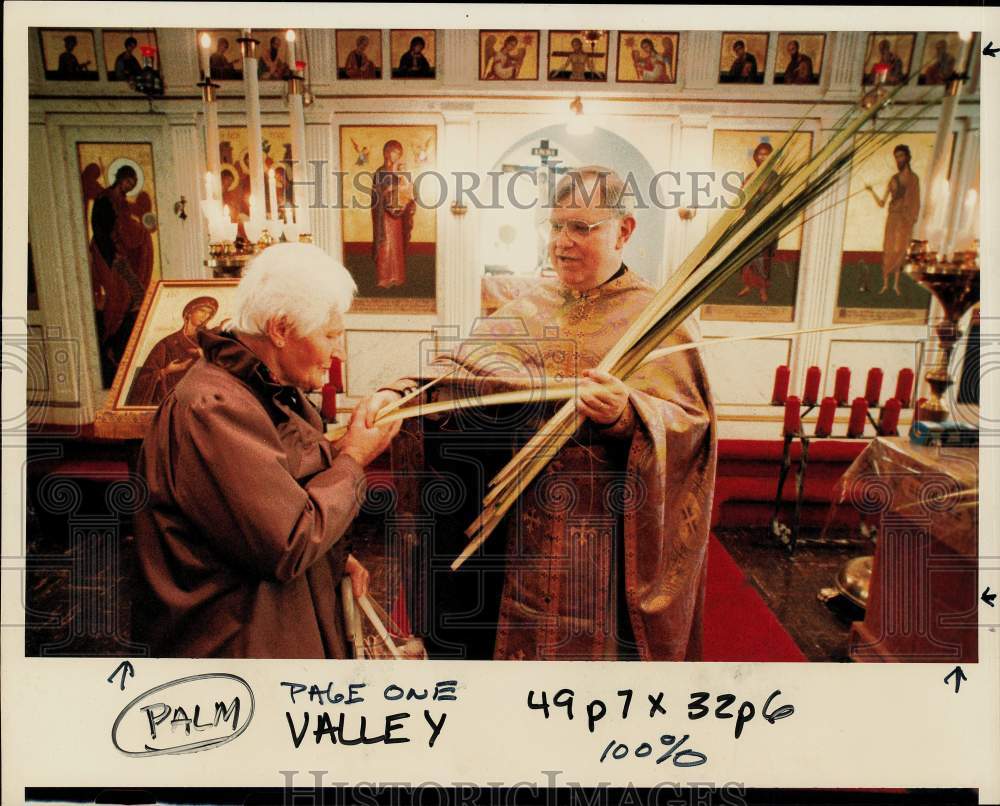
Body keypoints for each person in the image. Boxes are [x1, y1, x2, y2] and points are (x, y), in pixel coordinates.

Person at [369, 166, 717, 661]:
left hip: (599, 542)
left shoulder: (658, 318)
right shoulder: (528, 305)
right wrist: (400, 394)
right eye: (555, 226)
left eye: (581, 227)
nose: (562, 242)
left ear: (624, 230)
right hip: (517, 536)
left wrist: (627, 416)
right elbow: (460, 376)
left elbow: (691, 428)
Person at [133, 243, 401, 657]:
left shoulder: (256, 389)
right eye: (330, 335)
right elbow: (288, 543)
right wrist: (353, 458)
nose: (338, 353)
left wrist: (330, 557)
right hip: (237, 652)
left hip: (270, 622)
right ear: (279, 328)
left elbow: (273, 499)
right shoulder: (212, 408)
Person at [89, 164, 154, 385]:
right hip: (107, 254)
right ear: (121, 178)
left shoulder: (123, 202)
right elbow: (100, 230)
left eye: (134, 184)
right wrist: (111, 254)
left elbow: (127, 227)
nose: (130, 186)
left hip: (120, 253)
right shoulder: (104, 199)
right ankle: (109, 343)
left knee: (136, 295)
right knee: (120, 296)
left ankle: (123, 346)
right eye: (129, 182)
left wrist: (142, 233)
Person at [125, 296, 219, 406]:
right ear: (189, 312)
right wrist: (166, 371)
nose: (205, 316)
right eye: (202, 311)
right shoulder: (166, 344)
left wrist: (206, 356)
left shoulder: (210, 341)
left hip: (204, 401)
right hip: (172, 401)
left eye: (209, 313)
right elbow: (143, 380)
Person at [866, 144, 920, 295]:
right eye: (896, 157)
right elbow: (882, 203)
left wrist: (910, 218)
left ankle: (896, 285)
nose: (899, 159)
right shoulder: (893, 179)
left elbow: (916, 202)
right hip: (893, 217)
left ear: (908, 157)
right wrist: (871, 192)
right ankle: (885, 284)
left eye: (901, 156)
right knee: (889, 248)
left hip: (906, 220)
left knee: (900, 250)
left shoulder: (914, 179)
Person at [736, 142, 779, 303]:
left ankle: (762, 289)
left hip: (765, 222)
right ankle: (747, 285)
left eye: (766, 154)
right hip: (750, 220)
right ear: (755, 156)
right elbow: (744, 196)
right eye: (760, 154)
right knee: (747, 255)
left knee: (762, 257)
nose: (762, 157)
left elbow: (774, 199)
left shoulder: (774, 177)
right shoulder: (750, 176)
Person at [371, 139, 416, 289]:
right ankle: (384, 278)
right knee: (385, 244)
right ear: (387, 153)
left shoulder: (399, 173)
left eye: (399, 153)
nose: (396, 156)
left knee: (396, 244)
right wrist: (387, 191)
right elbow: (376, 194)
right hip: (383, 216)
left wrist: (406, 197)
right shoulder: (380, 173)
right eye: (394, 152)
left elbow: (408, 190)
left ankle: (397, 277)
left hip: (397, 215)